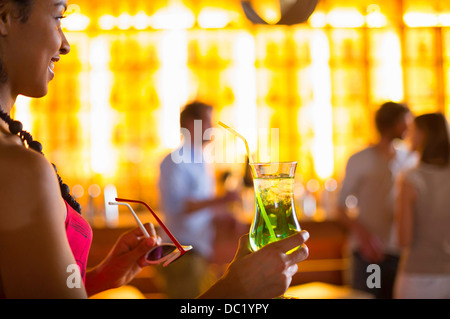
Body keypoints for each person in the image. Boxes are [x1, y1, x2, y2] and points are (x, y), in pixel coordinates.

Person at [0, 0, 309, 299]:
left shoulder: (16, 153)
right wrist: (235, 292)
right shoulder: (20, 168)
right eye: (58, 17)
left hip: (201, 249)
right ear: (5, 18)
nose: (65, 44)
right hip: (183, 254)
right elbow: (182, 207)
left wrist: (100, 277)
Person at [158, 101, 246, 298]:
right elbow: (178, 206)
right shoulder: (175, 161)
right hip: (182, 254)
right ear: (191, 124)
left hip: (200, 253)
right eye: (208, 122)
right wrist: (222, 200)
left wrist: (223, 216)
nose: (213, 128)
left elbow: (201, 208)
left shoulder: (201, 160)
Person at [336, 101, 417, 299]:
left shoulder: (409, 159)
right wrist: (364, 237)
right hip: (369, 255)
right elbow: (339, 206)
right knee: (368, 296)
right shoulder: (359, 159)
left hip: (401, 254)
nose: (409, 127)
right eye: (404, 122)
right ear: (391, 124)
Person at [394, 113, 450, 299]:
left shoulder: (411, 179)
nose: (409, 135)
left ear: (423, 134)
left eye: (413, 130)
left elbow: (404, 239)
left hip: (419, 276)